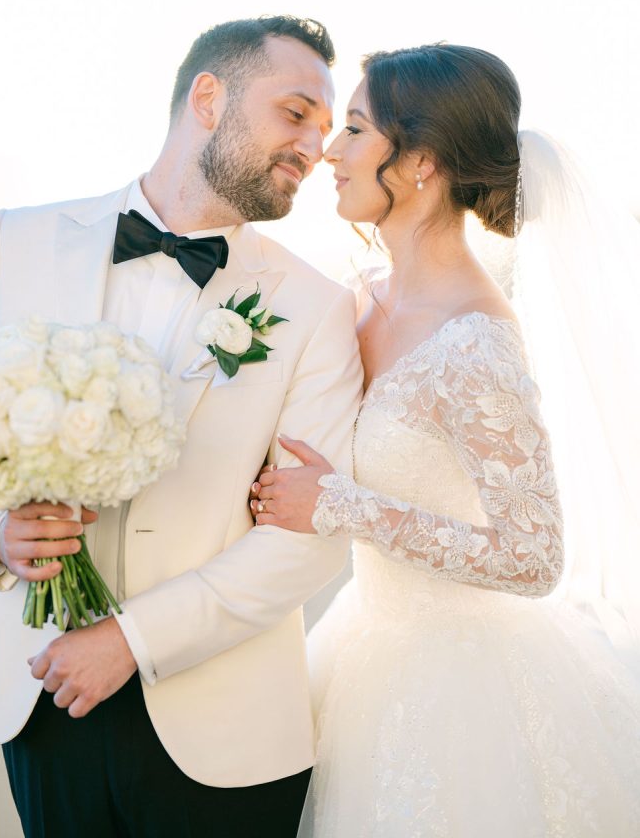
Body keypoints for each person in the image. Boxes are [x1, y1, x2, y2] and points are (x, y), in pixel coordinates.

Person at [0, 15, 363, 838]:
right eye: (295, 114)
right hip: (37, 699)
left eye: (326, 130)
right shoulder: (16, 242)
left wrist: (130, 640)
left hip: (226, 729)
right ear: (208, 98)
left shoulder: (317, 309)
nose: (314, 147)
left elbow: (312, 536)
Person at [250, 44, 640, 836]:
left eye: (354, 129)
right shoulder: (356, 300)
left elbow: (532, 558)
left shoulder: (476, 343)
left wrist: (342, 506)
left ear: (421, 161)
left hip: (462, 697)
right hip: (356, 651)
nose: (330, 150)